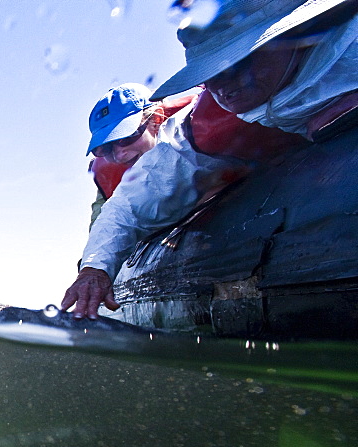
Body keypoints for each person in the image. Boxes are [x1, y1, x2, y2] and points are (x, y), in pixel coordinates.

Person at [62, 0, 358, 319]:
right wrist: (96, 268)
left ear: (292, 34)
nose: (221, 86)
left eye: (236, 62)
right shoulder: (200, 128)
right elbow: (130, 204)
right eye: (209, 73)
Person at [86, 84, 197, 228]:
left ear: (156, 121)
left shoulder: (194, 126)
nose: (119, 155)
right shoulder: (109, 177)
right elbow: (101, 228)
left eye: (127, 137)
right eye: (106, 148)